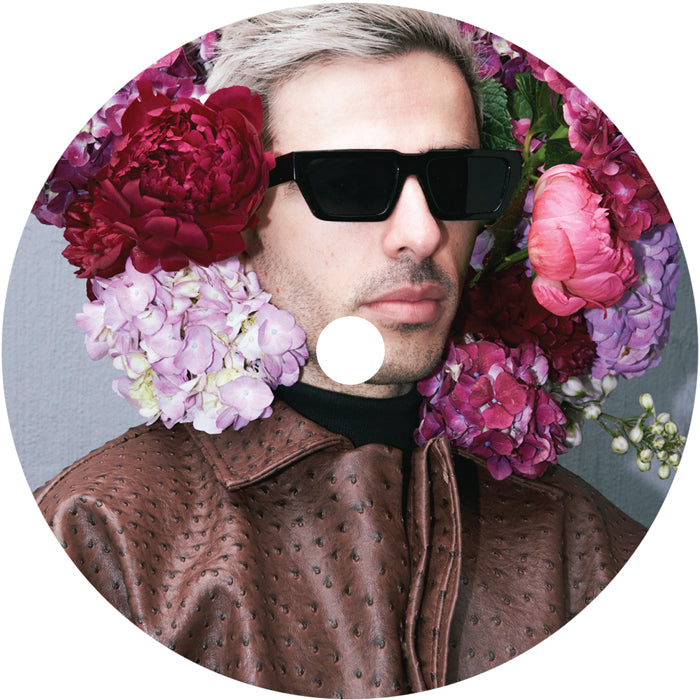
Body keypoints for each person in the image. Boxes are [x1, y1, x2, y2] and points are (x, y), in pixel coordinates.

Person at [34, 4, 645, 697]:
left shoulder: (592, 557)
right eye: (353, 182)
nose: (422, 233)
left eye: (455, 180)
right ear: (237, 211)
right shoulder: (101, 541)